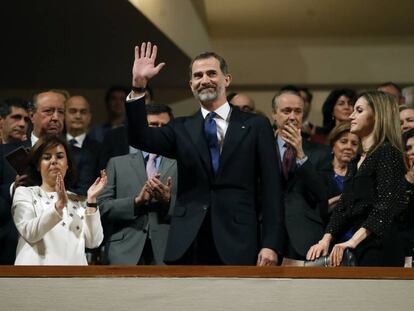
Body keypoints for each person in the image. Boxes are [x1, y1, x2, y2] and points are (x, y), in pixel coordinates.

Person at [125, 42, 284, 265]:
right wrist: (139, 86)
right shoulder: (181, 127)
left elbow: (272, 189)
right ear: (191, 85)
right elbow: (139, 138)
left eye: (211, 73)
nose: (205, 80)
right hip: (189, 240)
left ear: (226, 79)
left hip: (239, 238)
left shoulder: (256, 125)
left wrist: (270, 244)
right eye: (198, 76)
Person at [306, 90, 406, 267]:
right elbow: (344, 207)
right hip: (360, 244)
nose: (351, 116)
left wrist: (353, 241)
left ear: (376, 115)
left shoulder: (387, 152)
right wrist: (325, 239)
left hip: (380, 246)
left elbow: (387, 205)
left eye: (359, 110)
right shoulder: (356, 161)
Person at [98, 103, 177, 265]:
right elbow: (101, 207)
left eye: (164, 126)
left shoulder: (183, 164)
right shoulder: (117, 164)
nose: (159, 129)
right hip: (124, 251)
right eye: (153, 125)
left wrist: (168, 200)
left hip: (169, 249)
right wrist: (135, 202)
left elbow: (194, 208)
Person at [12, 136, 106, 265]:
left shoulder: (79, 200)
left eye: (60, 156)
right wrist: (58, 206)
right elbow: (30, 232)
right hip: (35, 276)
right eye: (47, 157)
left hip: (74, 277)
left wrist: (91, 200)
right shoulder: (25, 193)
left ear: (67, 165)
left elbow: (94, 242)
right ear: (38, 166)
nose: (54, 161)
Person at [271, 90, 331, 264]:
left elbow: (323, 194)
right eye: (286, 110)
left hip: (305, 236)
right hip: (265, 237)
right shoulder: (260, 148)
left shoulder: (321, 152)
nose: (292, 116)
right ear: (274, 114)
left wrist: (301, 156)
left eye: (297, 111)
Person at [321, 122, 360, 219]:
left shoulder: (361, 175)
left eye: (354, 144)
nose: (349, 147)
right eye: (343, 142)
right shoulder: (320, 173)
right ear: (333, 145)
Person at [65, 95, 102, 195]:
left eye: (83, 112)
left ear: (89, 117)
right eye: (73, 111)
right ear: (64, 115)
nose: (78, 116)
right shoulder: (53, 145)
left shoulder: (100, 149)